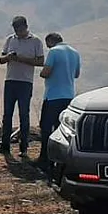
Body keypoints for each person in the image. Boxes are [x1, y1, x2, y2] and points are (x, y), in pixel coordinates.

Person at [0, 15, 44, 157]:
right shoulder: (10, 39)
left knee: (24, 114)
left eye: (20, 29)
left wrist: (21, 59)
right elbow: (1, 59)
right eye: (15, 30)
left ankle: (23, 147)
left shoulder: (35, 41)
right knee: (7, 114)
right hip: (10, 80)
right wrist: (9, 57)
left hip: (25, 82)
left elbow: (40, 61)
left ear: (25, 27)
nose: (18, 32)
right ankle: (4, 145)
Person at [38, 32, 81, 171]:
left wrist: (42, 72)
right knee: (62, 130)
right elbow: (76, 74)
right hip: (68, 96)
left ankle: (45, 159)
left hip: (52, 96)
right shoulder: (75, 53)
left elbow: (46, 72)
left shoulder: (54, 52)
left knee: (46, 128)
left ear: (50, 41)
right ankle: (61, 162)